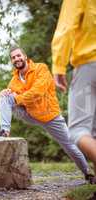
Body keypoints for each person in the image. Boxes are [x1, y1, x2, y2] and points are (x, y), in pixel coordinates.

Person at [0, 46, 95, 183]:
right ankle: (4, 131)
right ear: (12, 61)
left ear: (25, 57)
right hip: (30, 114)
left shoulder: (41, 69)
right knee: (6, 96)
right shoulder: (14, 80)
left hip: (50, 117)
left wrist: (17, 98)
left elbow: (37, 92)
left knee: (70, 145)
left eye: (18, 56)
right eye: (13, 57)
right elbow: (9, 98)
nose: (16, 59)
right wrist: (5, 93)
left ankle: (88, 173)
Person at [51, 0, 96, 182]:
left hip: (89, 64)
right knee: (93, 133)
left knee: (78, 131)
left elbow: (66, 27)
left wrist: (58, 66)